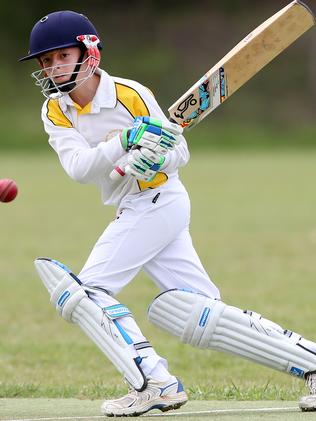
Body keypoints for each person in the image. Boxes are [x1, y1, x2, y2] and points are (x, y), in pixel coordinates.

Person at [20, 10, 316, 417]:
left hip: (159, 199)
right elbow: (79, 168)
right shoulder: (54, 111)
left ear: (89, 53)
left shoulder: (129, 94)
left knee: (87, 294)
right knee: (196, 311)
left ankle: (155, 382)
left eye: (61, 56)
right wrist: (126, 142)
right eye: (46, 61)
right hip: (133, 204)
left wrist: (155, 160)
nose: (53, 68)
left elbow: (179, 150)